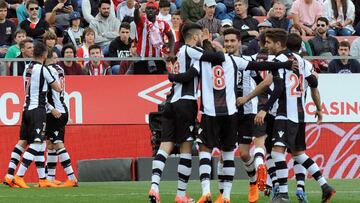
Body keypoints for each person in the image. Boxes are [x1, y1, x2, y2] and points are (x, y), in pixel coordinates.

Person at [196, 28, 293, 203]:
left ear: (239, 43)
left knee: (243, 153)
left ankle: (253, 182)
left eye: (233, 41)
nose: (230, 44)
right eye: (227, 41)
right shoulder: (220, 61)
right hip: (227, 112)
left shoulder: (246, 61)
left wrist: (260, 100)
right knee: (223, 155)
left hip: (247, 113)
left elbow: (260, 81)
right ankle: (222, 193)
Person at [256, 28, 336, 203]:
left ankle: (282, 194)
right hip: (300, 115)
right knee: (298, 154)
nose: (266, 45)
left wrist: (263, 107)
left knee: (276, 153)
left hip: (284, 113)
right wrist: (318, 107)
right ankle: (325, 186)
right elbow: (314, 83)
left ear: (279, 43)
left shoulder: (280, 60)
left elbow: (276, 87)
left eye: (269, 42)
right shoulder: (303, 62)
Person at [5, 42, 62, 189]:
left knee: (23, 143)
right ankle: (19, 176)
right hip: (38, 110)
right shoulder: (43, 69)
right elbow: (58, 87)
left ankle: (11, 176)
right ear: (44, 55)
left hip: (26, 109)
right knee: (37, 143)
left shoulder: (27, 68)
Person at [45, 48, 78, 187]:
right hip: (62, 109)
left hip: (55, 112)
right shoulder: (59, 69)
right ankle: (50, 179)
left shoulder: (46, 71)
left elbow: (43, 93)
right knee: (51, 145)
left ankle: (72, 177)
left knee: (57, 144)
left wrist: (50, 108)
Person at [133, 1, 174, 74]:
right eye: (148, 8)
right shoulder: (142, 21)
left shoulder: (163, 23)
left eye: (153, 8)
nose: (150, 10)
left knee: (156, 82)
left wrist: (171, 52)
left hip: (157, 59)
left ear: (157, 12)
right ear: (145, 11)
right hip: (142, 59)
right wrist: (136, 10)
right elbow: (136, 19)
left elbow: (171, 37)